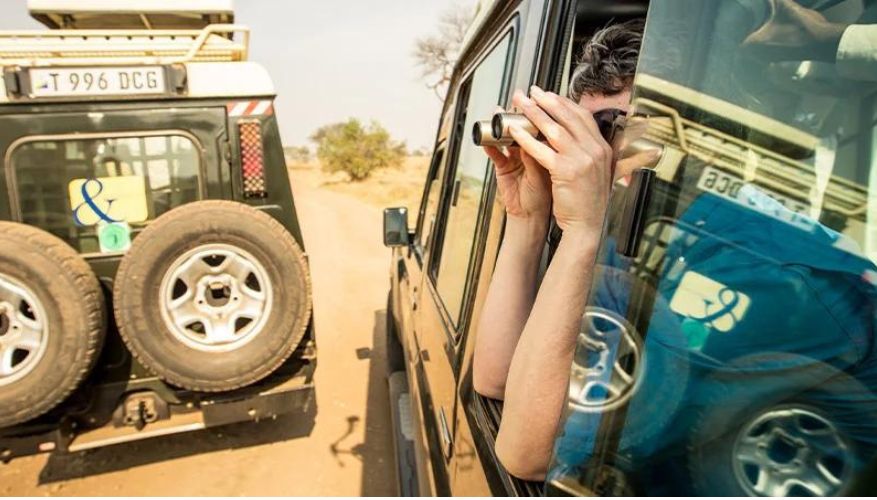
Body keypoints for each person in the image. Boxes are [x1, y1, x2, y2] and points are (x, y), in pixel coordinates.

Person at [471, 19, 647, 481]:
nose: (592, 153)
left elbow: (528, 456)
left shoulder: (721, 260)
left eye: (609, 129)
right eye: (582, 131)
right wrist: (527, 221)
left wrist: (583, 232)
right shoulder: (617, 237)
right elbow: (494, 379)